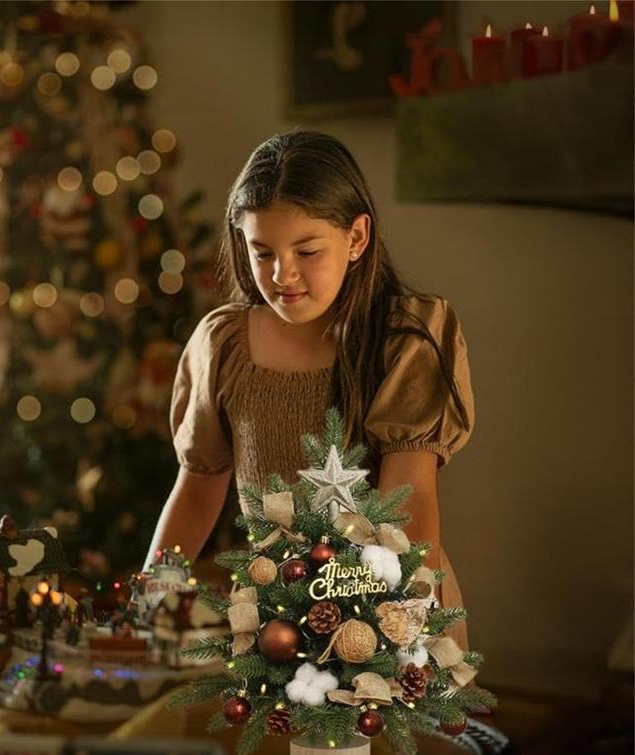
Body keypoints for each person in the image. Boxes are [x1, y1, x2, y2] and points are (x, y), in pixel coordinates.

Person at [145, 129, 473, 640]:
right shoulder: (224, 345)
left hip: (393, 608)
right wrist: (153, 597)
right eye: (263, 252)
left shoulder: (404, 339)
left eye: (307, 251)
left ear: (357, 238)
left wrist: (391, 631)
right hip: (273, 622)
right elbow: (196, 489)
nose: (282, 274)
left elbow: (407, 504)